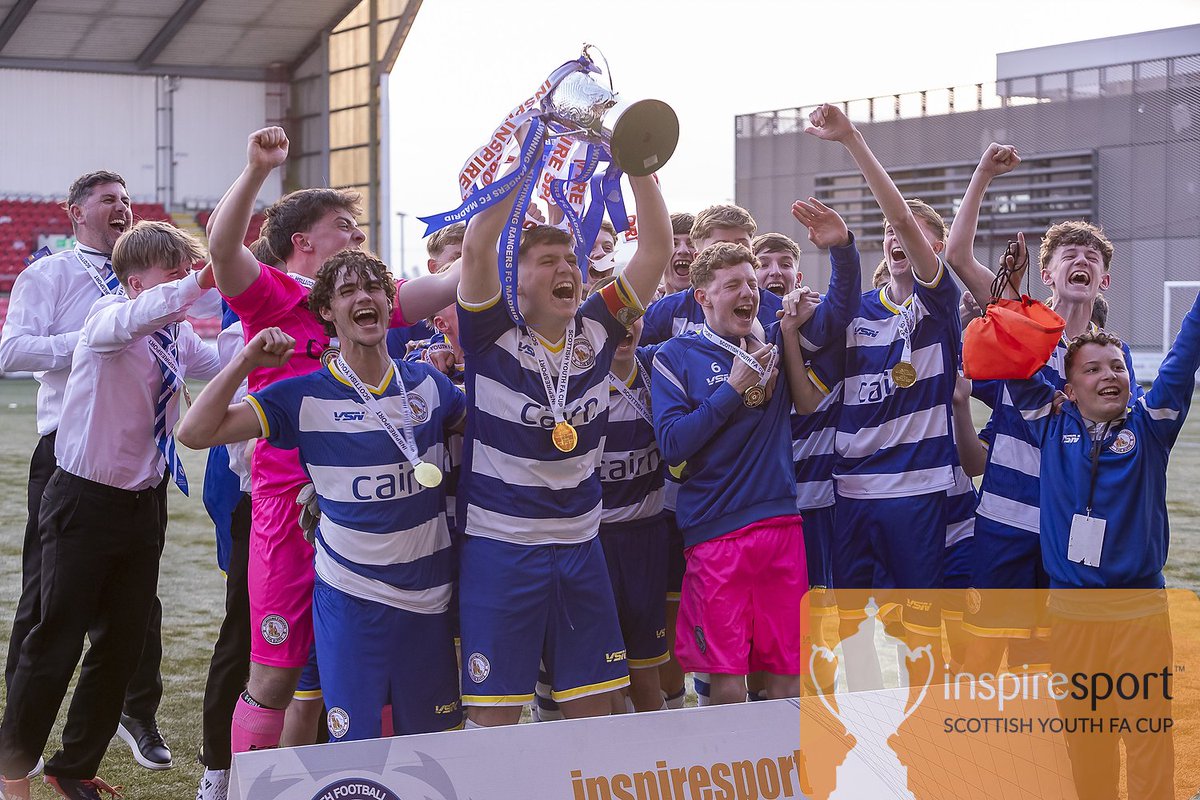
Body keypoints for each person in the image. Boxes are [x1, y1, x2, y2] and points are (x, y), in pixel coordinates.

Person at [206, 126, 462, 757]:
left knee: (366, 666)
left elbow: (452, 283)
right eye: (345, 225)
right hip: (289, 507)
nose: (357, 235)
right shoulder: (273, 293)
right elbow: (220, 250)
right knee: (275, 670)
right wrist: (256, 170)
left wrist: (496, 208)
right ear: (304, 241)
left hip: (366, 508)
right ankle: (229, 785)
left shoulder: (366, 297)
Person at [0, 222, 220, 800]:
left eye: (185, 271)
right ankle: (10, 771)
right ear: (135, 280)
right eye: (172, 274)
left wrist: (265, 344)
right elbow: (132, 319)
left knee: (123, 644)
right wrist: (198, 281)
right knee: (55, 641)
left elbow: (217, 359)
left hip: (142, 503)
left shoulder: (172, 335)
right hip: (82, 503)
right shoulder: (107, 316)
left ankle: (73, 766)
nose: (182, 286)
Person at [454, 146, 671, 725]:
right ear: (514, 278)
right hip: (503, 549)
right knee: (494, 718)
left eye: (570, 258)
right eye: (547, 260)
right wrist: (528, 158)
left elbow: (657, 250)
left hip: (582, 546)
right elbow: (478, 243)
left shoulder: (598, 328)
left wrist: (642, 161)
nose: (567, 269)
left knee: (595, 712)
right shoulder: (489, 333)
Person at [945, 143, 1136, 672]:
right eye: (1068, 256)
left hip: (1067, 528)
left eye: (1092, 259)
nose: (1081, 261)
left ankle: (1040, 755)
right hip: (1005, 518)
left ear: (1105, 281)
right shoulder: (1019, 326)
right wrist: (983, 170)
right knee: (981, 655)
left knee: (1047, 663)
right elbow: (958, 256)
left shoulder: (1111, 362)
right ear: (1047, 275)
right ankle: (968, 751)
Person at [804, 104, 962, 655]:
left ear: (932, 251)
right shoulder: (858, 312)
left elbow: (900, 224)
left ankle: (922, 736)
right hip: (849, 491)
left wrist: (851, 141)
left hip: (916, 489)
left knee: (916, 636)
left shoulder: (942, 307)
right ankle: (864, 737)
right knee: (851, 641)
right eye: (900, 230)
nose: (904, 236)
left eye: (920, 234)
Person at [650, 241, 824, 704]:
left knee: (789, 672)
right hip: (715, 534)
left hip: (782, 525)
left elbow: (807, 405)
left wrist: (786, 336)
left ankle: (788, 773)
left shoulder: (770, 341)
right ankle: (729, 776)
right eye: (733, 285)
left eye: (750, 282)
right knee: (727, 678)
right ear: (703, 296)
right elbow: (672, 446)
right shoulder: (675, 355)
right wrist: (731, 389)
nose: (748, 291)